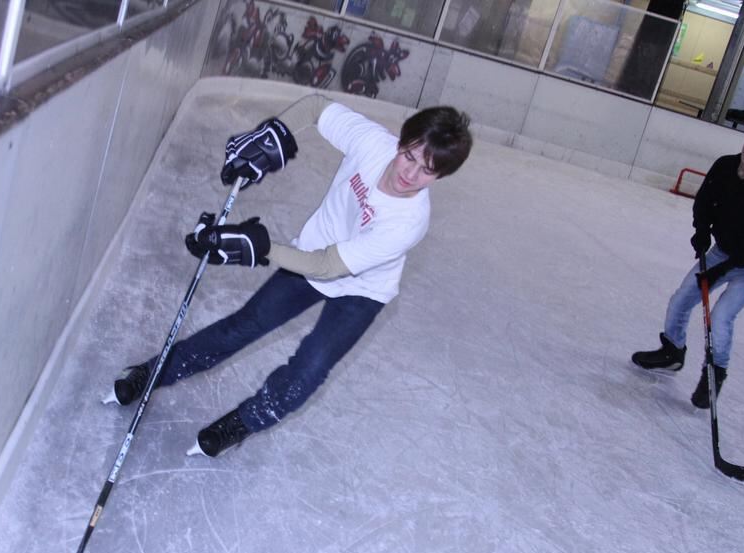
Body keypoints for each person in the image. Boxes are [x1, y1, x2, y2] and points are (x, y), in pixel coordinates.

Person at [106, 95, 473, 457]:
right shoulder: (371, 142)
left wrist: (262, 248)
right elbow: (315, 107)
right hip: (310, 253)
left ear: (439, 176)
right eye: (408, 155)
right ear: (401, 142)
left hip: (361, 290)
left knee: (309, 369)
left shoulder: (408, 223)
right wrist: (273, 133)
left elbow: (328, 266)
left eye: (426, 170)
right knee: (243, 326)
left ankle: (245, 422)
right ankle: (152, 373)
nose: (409, 174)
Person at [632, 117, 744, 407]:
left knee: (721, 315)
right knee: (681, 299)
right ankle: (672, 352)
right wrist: (701, 232)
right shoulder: (725, 165)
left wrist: (718, 272)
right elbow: (705, 201)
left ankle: (714, 375)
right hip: (723, 251)